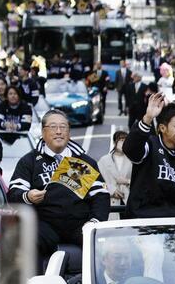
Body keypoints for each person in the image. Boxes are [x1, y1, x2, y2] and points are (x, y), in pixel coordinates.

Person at [7, 109, 110, 259]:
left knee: (103, 245)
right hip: (44, 225)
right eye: (53, 127)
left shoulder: (83, 161)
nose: (59, 131)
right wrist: (27, 196)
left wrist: (93, 223)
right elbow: (13, 194)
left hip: (79, 225)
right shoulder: (29, 161)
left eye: (63, 127)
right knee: (26, 239)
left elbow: (101, 196)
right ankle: (35, 282)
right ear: (43, 132)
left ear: (69, 132)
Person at [123, 95, 175, 218]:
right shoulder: (150, 145)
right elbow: (130, 149)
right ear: (162, 128)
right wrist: (148, 118)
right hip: (145, 223)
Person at [97, 130, 131, 207]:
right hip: (110, 200)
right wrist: (111, 190)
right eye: (121, 140)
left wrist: (127, 181)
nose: (123, 143)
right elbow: (98, 181)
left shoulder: (132, 160)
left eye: (126, 141)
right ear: (114, 142)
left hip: (129, 199)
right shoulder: (104, 160)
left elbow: (140, 181)